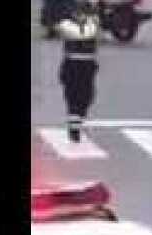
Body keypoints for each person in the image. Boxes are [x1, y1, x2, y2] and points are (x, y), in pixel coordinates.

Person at [56, 0, 101, 143]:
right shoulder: (91, 22)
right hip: (83, 63)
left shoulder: (68, 21)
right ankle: (75, 122)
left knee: (76, 96)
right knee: (83, 96)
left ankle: (74, 121)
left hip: (74, 62)